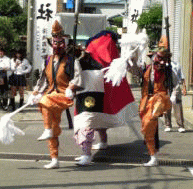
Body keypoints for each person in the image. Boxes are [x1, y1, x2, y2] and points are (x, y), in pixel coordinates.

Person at [66, 31, 138, 166]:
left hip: (92, 94)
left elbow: (77, 79)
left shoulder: (85, 61)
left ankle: (86, 155)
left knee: (87, 123)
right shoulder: (85, 60)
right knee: (95, 120)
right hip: (87, 93)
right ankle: (102, 143)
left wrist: (71, 88)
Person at [28, 20, 74, 169]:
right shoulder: (48, 59)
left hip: (63, 95)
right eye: (55, 43)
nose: (57, 46)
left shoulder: (70, 60)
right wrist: (35, 92)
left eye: (60, 43)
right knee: (53, 126)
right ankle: (54, 159)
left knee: (45, 100)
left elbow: (78, 77)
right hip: (50, 93)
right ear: (51, 44)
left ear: (65, 44)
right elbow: (42, 79)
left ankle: (48, 130)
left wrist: (72, 87)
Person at [137, 47, 172, 166]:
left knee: (149, 124)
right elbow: (135, 72)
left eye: (161, 58)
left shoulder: (167, 69)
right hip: (146, 100)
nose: (158, 60)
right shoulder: (147, 68)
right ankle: (153, 154)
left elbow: (175, 83)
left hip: (159, 99)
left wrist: (172, 97)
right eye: (156, 57)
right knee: (149, 127)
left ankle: (153, 156)